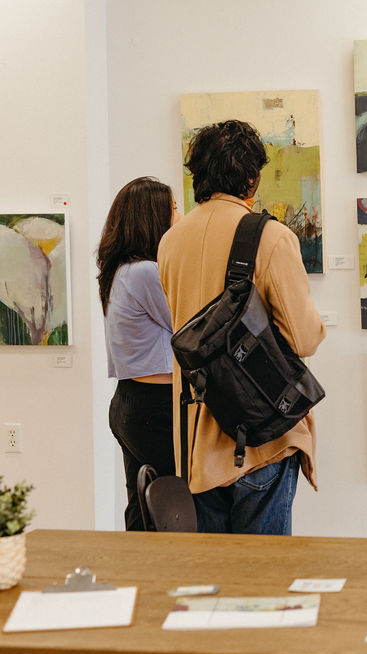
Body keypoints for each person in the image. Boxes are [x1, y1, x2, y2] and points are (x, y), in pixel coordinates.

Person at [158, 119, 325, 535]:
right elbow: (304, 338)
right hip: (259, 439)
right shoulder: (271, 237)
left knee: (214, 581)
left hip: (197, 437)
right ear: (251, 177)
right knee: (263, 582)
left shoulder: (170, 241)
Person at [97, 176, 182, 531]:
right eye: (174, 207)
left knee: (140, 507)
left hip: (129, 402)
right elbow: (184, 323)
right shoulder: (147, 272)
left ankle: (138, 579)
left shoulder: (119, 271)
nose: (180, 214)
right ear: (154, 217)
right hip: (154, 404)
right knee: (171, 505)